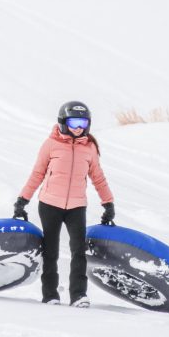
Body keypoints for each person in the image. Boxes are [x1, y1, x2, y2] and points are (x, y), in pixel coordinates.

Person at [13, 101, 115, 308]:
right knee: (51, 251)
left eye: (83, 123)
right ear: (63, 122)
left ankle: (78, 295)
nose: (78, 127)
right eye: (74, 122)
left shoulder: (89, 148)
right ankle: (50, 295)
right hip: (50, 204)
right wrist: (23, 200)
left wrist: (108, 203)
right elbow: (37, 174)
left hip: (77, 206)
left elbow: (98, 177)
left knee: (78, 250)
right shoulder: (51, 144)